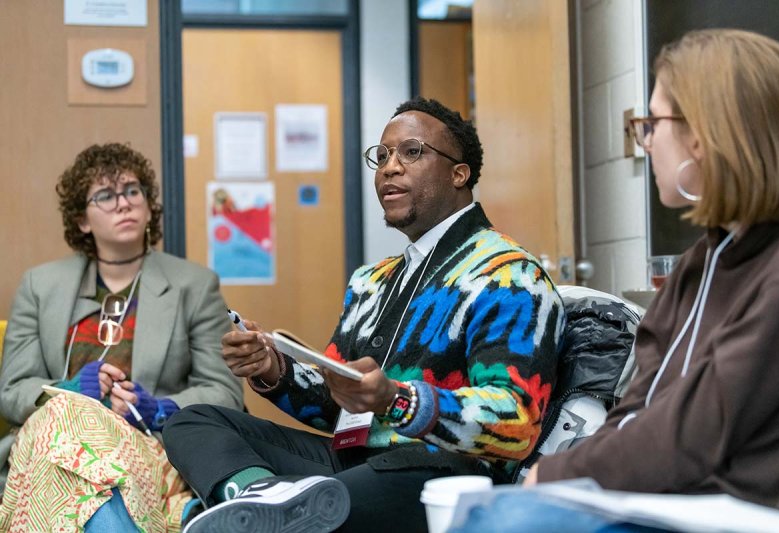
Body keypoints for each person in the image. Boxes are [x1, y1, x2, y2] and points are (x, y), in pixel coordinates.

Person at [162, 97, 565, 532]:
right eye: (383, 155)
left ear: (459, 173)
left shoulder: (507, 274)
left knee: (411, 469)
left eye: (412, 152)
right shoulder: (371, 282)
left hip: (434, 471)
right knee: (194, 419)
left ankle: (278, 510)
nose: (390, 167)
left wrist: (397, 400)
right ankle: (260, 501)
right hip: (351, 461)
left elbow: (516, 419)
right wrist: (273, 368)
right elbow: (337, 406)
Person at [519, 28, 779, 512]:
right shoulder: (702, 261)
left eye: (652, 123)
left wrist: (560, 473)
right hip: (679, 496)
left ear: (705, 134)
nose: (646, 142)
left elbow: (697, 429)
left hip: (749, 510)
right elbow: (639, 406)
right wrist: (571, 473)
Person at [0, 143, 243, 532]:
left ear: (148, 206)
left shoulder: (193, 286)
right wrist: (69, 390)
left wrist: (159, 409)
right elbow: (11, 393)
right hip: (49, 438)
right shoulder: (40, 286)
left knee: (73, 463)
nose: (124, 203)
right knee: (67, 416)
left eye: (132, 191)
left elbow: (225, 392)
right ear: (82, 220)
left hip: (147, 442)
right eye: (106, 195)